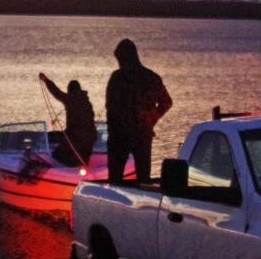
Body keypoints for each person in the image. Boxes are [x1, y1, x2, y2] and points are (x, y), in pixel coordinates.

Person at [105, 38, 172, 183]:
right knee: (144, 179)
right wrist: (151, 119)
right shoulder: (152, 77)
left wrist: (112, 133)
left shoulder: (117, 78)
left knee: (115, 179)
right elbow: (166, 102)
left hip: (120, 136)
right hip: (143, 135)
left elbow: (111, 108)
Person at [39, 72, 96, 167]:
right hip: (91, 136)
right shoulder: (87, 101)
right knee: (83, 160)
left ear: (69, 90)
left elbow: (56, 92)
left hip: (77, 136)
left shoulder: (70, 98)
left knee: (57, 155)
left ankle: (63, 175)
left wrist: (45, 80)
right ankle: (83, 173)